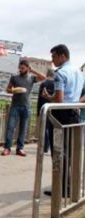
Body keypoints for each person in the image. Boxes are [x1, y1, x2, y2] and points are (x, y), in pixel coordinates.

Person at [42, 44, 85, 197]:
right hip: (74, 114)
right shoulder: (79, 73)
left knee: (59, 151)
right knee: (70, 151)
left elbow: (59, 99)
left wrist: (48, 97)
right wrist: (75, 102)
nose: (52, 60)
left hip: (60, 115)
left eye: (54, 56)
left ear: (62, 56)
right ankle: (69, 186)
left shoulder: (60, 73)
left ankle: (62, 188)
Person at [1, 60, 46, 157]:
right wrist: (13, 90)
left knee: (23, 129)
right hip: (15, 105)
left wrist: (33, 70)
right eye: (20, 68)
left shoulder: (31, 78)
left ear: (27, 68)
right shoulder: (14, 78)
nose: (20, 70)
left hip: (26, 106)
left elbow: (43, 77)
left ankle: (20, 148)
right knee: (10, 127)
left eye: (23, 68)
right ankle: (7, 148)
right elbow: (8, 89)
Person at [37, 69, 55, 154]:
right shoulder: (56, 84)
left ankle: (45, 147)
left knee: (45, 128)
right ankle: (51, 147)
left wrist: (38, 112)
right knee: (52, 128)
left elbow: (40, 98)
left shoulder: (43, 84)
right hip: (53, 109)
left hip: (44, 108)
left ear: (47, 74)